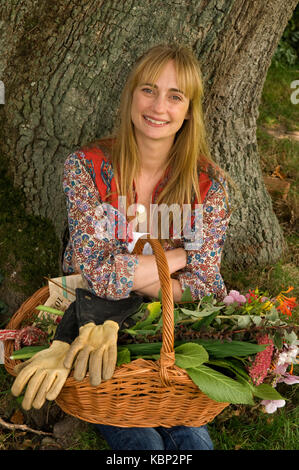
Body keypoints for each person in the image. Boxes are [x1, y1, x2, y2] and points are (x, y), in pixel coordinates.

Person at [61, 43, 231, 450]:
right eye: (149, 90)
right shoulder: (86, 167)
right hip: (92, 321)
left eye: (175, 96)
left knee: (191, 440)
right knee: (143, 444)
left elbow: (206, 288)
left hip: (164, 332)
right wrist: (181, 256)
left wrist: (129, 274)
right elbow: (94, 275)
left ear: (189, 110)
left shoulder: (207, 186)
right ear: (132, 95)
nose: (158, 106)